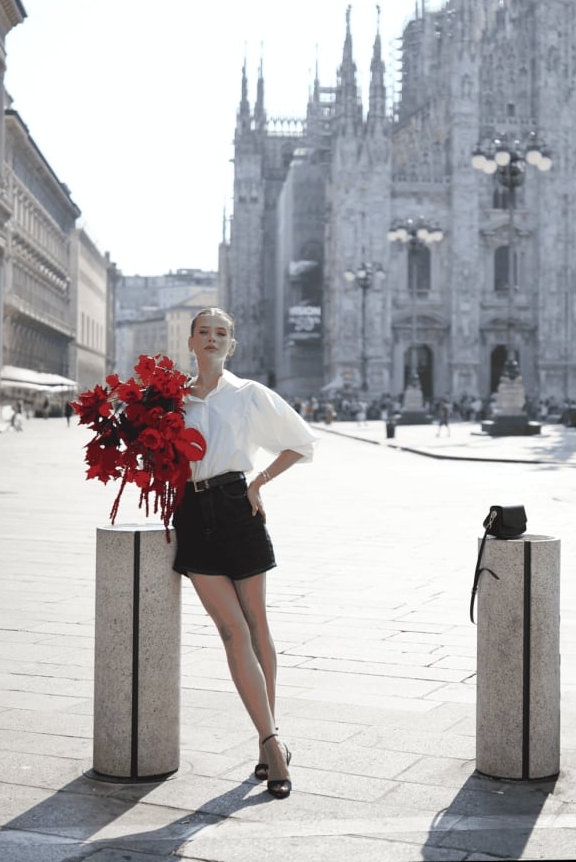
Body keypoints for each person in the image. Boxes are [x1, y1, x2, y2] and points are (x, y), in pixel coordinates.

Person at [175, 306, 315, 800]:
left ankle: (265, 741)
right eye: (204, 332)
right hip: (192, 514)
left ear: (232, 345)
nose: (213, 339)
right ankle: (274, 744)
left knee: (256, 623)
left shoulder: (248, 394)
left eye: (222, 334)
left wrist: (259, 481)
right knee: (232, 630)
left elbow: (301, 443)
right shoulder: (171, 401)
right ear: (190, 340)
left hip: (237, 505)